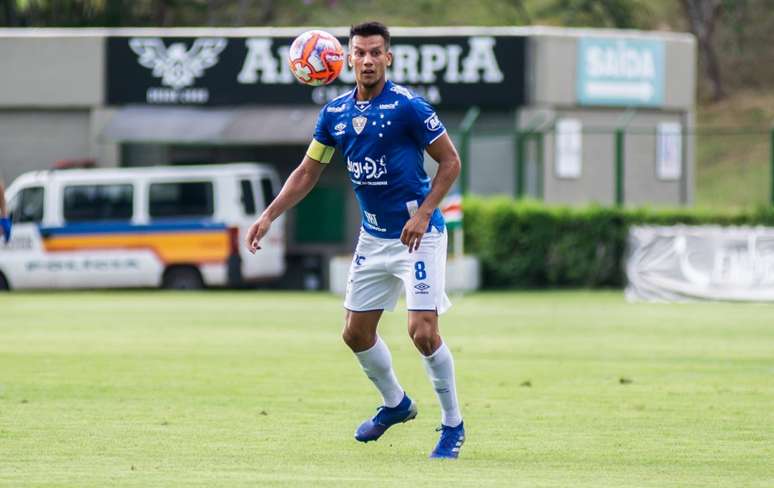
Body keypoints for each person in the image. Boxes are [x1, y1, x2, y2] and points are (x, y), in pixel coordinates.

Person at [246, 21, 464, 459]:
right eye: (359, 52)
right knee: (355, 333)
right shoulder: (335, 115)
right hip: (373, 238)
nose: (367, 60)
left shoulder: (409, 108)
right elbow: (308, 172)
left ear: (389, 57)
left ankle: (453, 425)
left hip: (417, 235)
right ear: (346, 57)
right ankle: (396, 404)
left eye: (375, 52)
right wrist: (269, 215)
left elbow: (450, 163)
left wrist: (424, 214)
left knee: (422, 332)